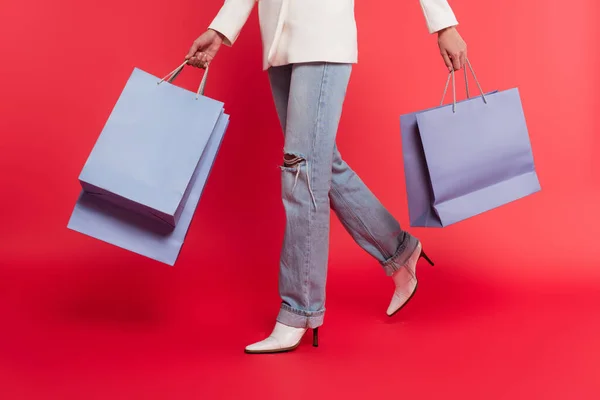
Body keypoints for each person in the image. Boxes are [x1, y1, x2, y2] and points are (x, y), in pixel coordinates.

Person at [186, 0, 467, 354]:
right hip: (277, 40)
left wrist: (444, 25)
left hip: (321, 37)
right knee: (319, 166)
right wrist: (220, 30)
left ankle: (299, 311)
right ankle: (399, 252)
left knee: (301, 172)